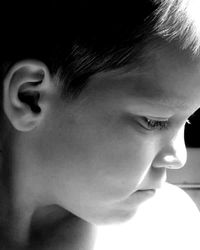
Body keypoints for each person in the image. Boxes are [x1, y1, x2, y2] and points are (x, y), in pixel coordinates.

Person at [1, 0, 200, 249]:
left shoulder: (172, 228)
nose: (178, 157)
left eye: (188, 119)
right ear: (30, 98)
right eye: (154, 121)